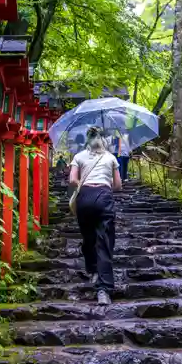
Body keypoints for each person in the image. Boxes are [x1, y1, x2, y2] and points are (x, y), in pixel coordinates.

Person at [69, 126, 122, 305]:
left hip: (84, 198)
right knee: (104, 242)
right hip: (104, 197)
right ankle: (103, 290)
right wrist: (104, 185)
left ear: (87, 140)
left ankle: (92, 270)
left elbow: (72, 180)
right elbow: (118, 185)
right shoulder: (111, 157)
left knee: (88, 237)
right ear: (103, 140)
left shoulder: (79, 157)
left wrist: (83, 183)